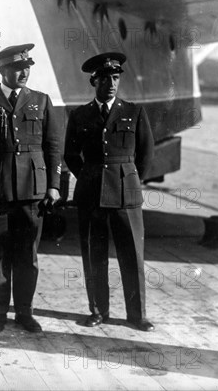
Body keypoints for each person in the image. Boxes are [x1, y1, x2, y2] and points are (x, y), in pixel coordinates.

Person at [0, 44, 62, 333]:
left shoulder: (41, 100)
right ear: (2, 71)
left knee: (27, 256)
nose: (23, 72)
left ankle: (25, 312)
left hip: (32, 192)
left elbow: (53, 147)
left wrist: (54, 186)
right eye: (16, 68)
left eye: (27, 67)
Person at [64, 52, 155, 332]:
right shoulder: (80, 114)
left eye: (115, 78)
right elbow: (70, 154)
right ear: (95, 82)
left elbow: (146, 154)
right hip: (92, 195)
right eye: (105, 79)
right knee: (94, 256)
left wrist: (128, 177)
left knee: (132, 256)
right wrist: (90, 176)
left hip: (126, 195)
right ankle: (97, 311)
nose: (112, 84)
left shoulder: (134, 112)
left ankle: (137, 315)